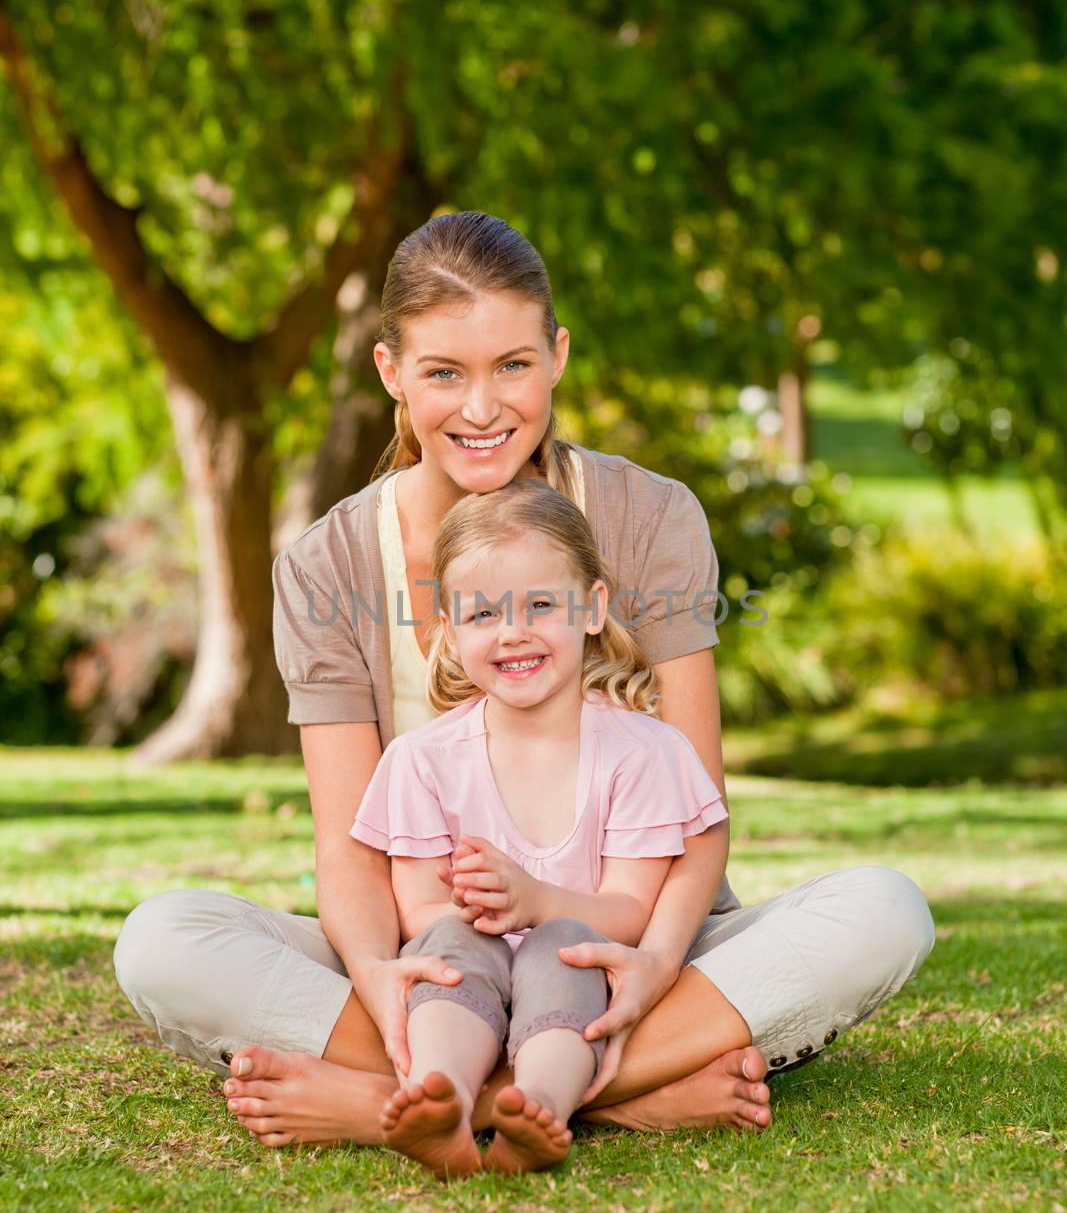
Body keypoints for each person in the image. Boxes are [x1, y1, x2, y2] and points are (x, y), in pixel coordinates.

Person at [114, 209, 935, 1148]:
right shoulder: (327, 565)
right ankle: (601, 1092)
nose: (480, 408)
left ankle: (422, 1102)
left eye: (512, 365)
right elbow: (349, 852)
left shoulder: (649, 517)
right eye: (442, 373)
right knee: (164, 941)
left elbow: (696, 822)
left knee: (883, 911)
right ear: (391, 372)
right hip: (439, 964)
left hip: (627, 944)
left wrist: (657, 968)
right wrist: (381, 980)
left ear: (557, 357)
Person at [354, 477, 730, 1176]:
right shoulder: (422, 760)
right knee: (451, 947)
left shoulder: (642, 752)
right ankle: (442, 1096)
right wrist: (485, 913)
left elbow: (628, 912)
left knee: (563, 949)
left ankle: (537, 1109)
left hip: (582, 964)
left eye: (539, 606)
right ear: (447, 627)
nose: (513, 632)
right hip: (471, 971)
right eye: (483, 613)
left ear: (591, 609)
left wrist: (536, 905)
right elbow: (417, 907)